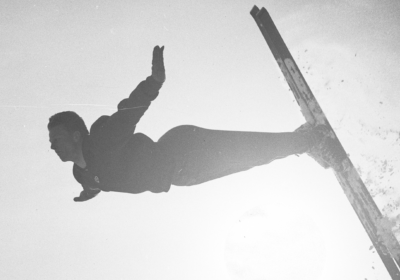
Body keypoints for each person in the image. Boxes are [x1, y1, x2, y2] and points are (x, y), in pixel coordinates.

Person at [47, 46, 337, 203]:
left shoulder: (101, 139)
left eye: (56, 138)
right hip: (185, 177)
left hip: (184, 150)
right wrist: (89, 193)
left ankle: (313, 138)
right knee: (252, 161)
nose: (52, 145)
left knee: (252, 151)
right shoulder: (80, 174)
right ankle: (302, 140)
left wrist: (154, 82)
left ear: (75, 135)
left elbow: (128, 113)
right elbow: (95, 183)